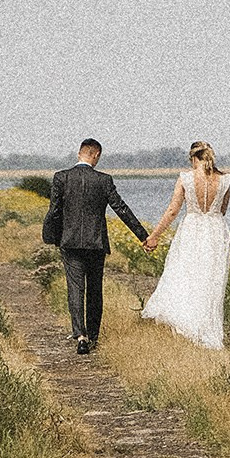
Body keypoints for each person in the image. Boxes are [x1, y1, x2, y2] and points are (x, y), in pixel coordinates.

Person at [44, 139, 149, 355]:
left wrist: (53, 237)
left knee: (75, 288)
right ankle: (93, 337)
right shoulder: (104, 180)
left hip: (70, 242)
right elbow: (121, 209)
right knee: (94, 289)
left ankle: (80, 336)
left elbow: (54, 211)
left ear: (79, 153)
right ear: (96, 155)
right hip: (95, 242)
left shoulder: (61, 177)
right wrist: (143, 236)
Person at [142, 142, 230, 350]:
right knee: (210, 281)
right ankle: (204, 330)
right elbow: (224, 209)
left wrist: (154, 236)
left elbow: (173, 210)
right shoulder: (225, 180)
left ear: (193, 159)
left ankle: (185, 325)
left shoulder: (186, 178)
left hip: (192, 229)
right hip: (215, 231)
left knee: (185, 276)